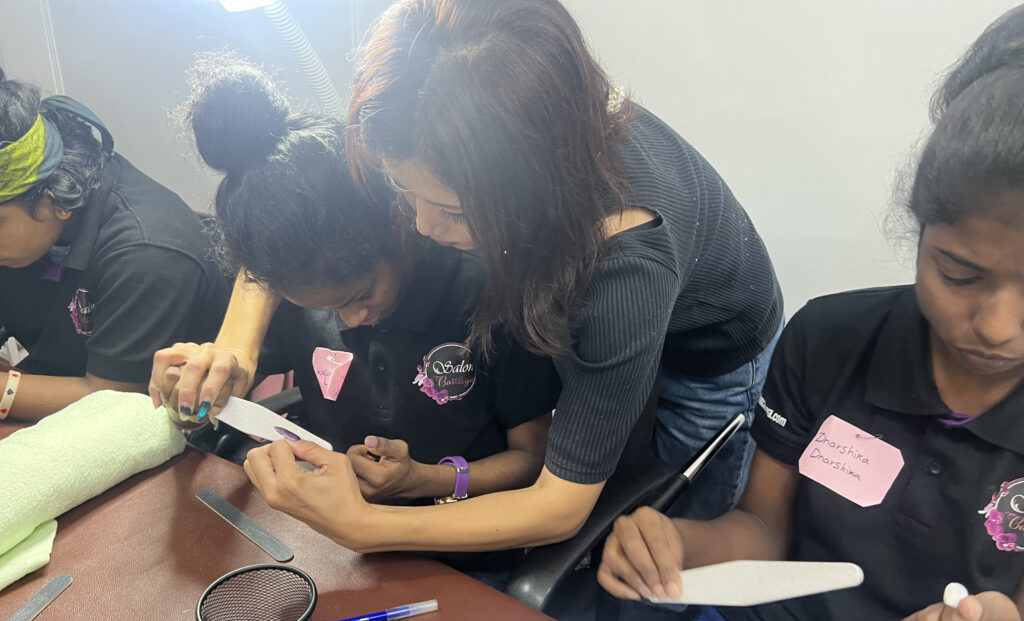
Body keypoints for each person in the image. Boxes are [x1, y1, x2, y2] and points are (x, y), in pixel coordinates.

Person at [152, 0, 782, 557]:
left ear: (526, 187)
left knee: (660, 530)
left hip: (705, 346)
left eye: (451, 212)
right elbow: (286, 223)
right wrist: (235, 348)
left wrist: (368, 527)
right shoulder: (423, 114)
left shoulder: (622, 271)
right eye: (403, 191)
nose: (421, 226)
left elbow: (559, 505)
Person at [596, 7, 1024, 621]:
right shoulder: (830, 339)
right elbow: (764, 528)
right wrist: (676, 543)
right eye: (959, 274)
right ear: (920, 231)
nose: (995, 325)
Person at [156, 55, 559, 558]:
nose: (349, 320)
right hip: (327, 538)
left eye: (361, 296)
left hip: (461, 541)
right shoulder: (300, 287)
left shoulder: (487, 296)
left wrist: (426, 480)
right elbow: (229, 376)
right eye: (325, 308)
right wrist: (192, 398)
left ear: (399, 228)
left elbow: (532, 457)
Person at [0, 69, 228, 421]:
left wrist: (6, 389)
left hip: (152, 426)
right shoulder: (26, 232)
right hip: (47, 384)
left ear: (55, 199)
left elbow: (110, 402)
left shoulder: (146, 254)